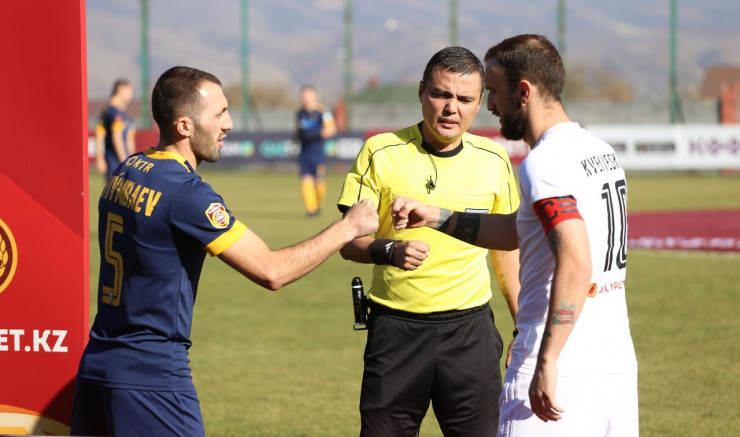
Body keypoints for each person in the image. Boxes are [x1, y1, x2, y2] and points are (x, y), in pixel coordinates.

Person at [70, 66, 378, 437]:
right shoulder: (187, 192)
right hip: (152, 374)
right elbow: (271, 270)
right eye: (219, 114)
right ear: (185, 126)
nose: (229, 124)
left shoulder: (127, 169)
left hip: (98, 363)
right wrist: (348, 227)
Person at [337, 46, 520, 436]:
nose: (451, 108)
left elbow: (507, 251)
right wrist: (389, 250)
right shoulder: (380, 152)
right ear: (422, 91)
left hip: (471, 332)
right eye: (441, 94)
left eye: (465, 99)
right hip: (396, 331)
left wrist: (523, 324)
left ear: (479, 103)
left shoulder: (495, 159)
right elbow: (348, 241)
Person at [296, 84, 336, 216]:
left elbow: (331, 129)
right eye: (303, 95)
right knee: (306, 179)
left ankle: (319, 204)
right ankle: (311, 209)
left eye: (307, 95)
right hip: (304, 151)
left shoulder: (323, 111)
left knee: (319, 180)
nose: (304, 98)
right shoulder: (300, 113)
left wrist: (316, 135)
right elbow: (297, 131)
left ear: (314, 96)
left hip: (317, 152)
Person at [95, 79, 137, 179]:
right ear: (120, 91)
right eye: (129, 91)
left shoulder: (126, 116)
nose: (131, 94)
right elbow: (114, 137)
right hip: (115, 162)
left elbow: (129, 141)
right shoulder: (113, 113)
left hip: (125, 161)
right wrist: (125, 161)